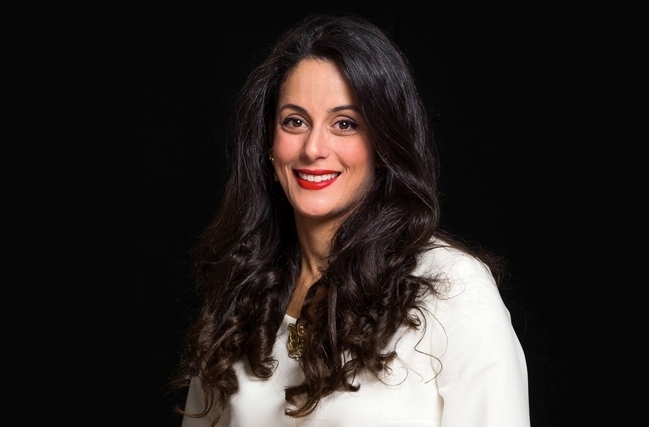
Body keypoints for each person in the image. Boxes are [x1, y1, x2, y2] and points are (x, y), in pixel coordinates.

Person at [171, 11, 530, 427]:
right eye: (294, 121)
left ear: (384, 143)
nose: (313, 148)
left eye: (345, 124)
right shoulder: (240, 291)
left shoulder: (453, 289)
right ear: (269, 141)